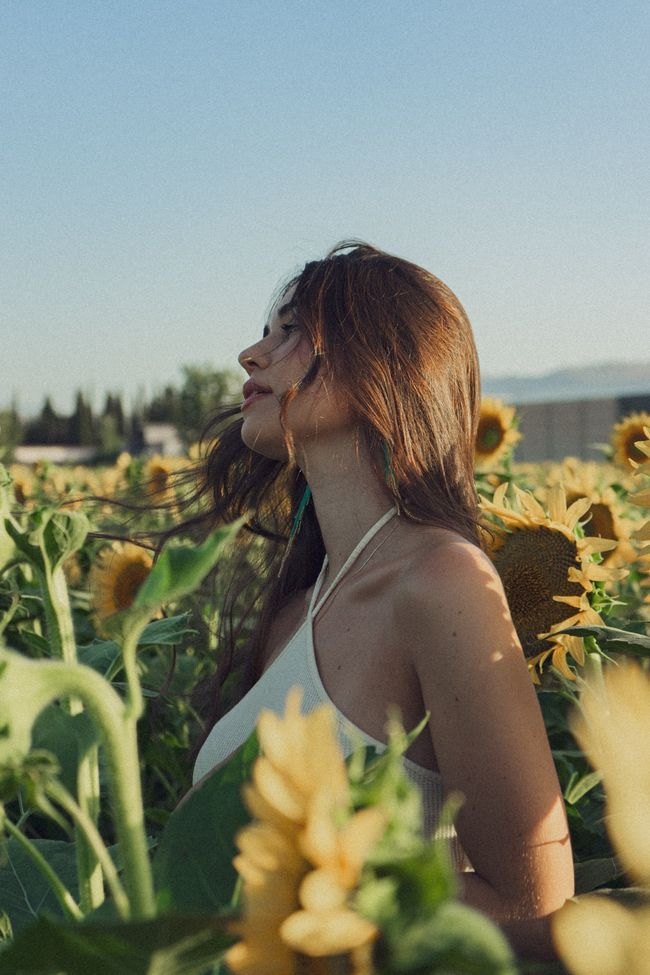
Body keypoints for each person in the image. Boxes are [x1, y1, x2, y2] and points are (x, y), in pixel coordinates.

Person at [188, 241, 574, 959]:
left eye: (291, 331)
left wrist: (316, 883)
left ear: (384, 361)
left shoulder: (442, 582)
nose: (251, 354)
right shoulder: (295, 609)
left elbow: (536, 906)